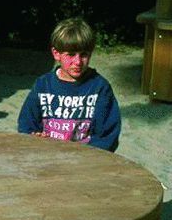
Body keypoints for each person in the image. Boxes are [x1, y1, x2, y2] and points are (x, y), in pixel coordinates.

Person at [17, 17, 121, 152]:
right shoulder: (43, 85)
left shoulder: (99, 87)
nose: (78, 62)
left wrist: (85, 155)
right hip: (47, 154)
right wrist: (34, 137)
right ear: (56, 53)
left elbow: (107, 135)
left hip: (85, 160)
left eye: (84, 55)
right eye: (71, 54)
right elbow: (26, 125)